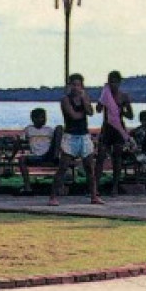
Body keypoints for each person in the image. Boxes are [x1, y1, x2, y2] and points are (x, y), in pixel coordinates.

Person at [50, 73, 100, 206]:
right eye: (73, 84)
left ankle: (94, 196)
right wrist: (84, 110)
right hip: (71, 136)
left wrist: (84, 100)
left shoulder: (85, 97)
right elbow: (74, 115)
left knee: (89, 167)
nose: (76, 88)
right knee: (63, 166)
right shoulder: (65, 100)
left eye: (78, 85)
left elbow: (91, 112)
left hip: (84, 135)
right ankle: (53, 196)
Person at [94, 70, 134, 195]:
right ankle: (95, 187)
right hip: (107, 128)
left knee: (117, 158)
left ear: (119, 82)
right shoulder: (105, 95)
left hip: (118, 128)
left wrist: (121, 110)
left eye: (115, 82)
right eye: (111, 82)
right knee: (100, 156)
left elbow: (131, 115)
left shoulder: (124, 96)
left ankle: (115, 187)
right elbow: (98, 110)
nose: (113, 85)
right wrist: (102, 98)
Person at [16, 107, 60, 194]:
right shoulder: (28, 129)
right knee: (21, 159)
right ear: (33, 119)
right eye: (41, 117)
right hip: (35, 156)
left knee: (59, 128)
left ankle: (60, 186)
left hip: (49, 154)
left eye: (44, 117)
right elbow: (19, 141)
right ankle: (27, 187)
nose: (43, 119)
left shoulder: (49, 130)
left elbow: (57, 142)